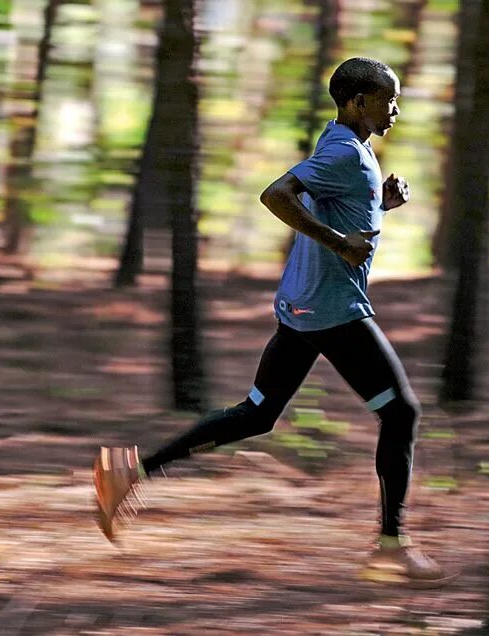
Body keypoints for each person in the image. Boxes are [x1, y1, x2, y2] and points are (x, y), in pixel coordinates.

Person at [94, 57, 448, 587]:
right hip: (333, 311)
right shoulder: (343, 152)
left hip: (302, 307)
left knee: (257, 414)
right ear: (357, 102)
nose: (395, 108)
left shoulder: (350, 148)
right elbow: (275, 195)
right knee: (401, 414)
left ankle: (131, 472)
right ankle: (391, 546)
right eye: (387, 99)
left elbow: (337, 210)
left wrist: (380, 204)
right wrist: (338, 243)